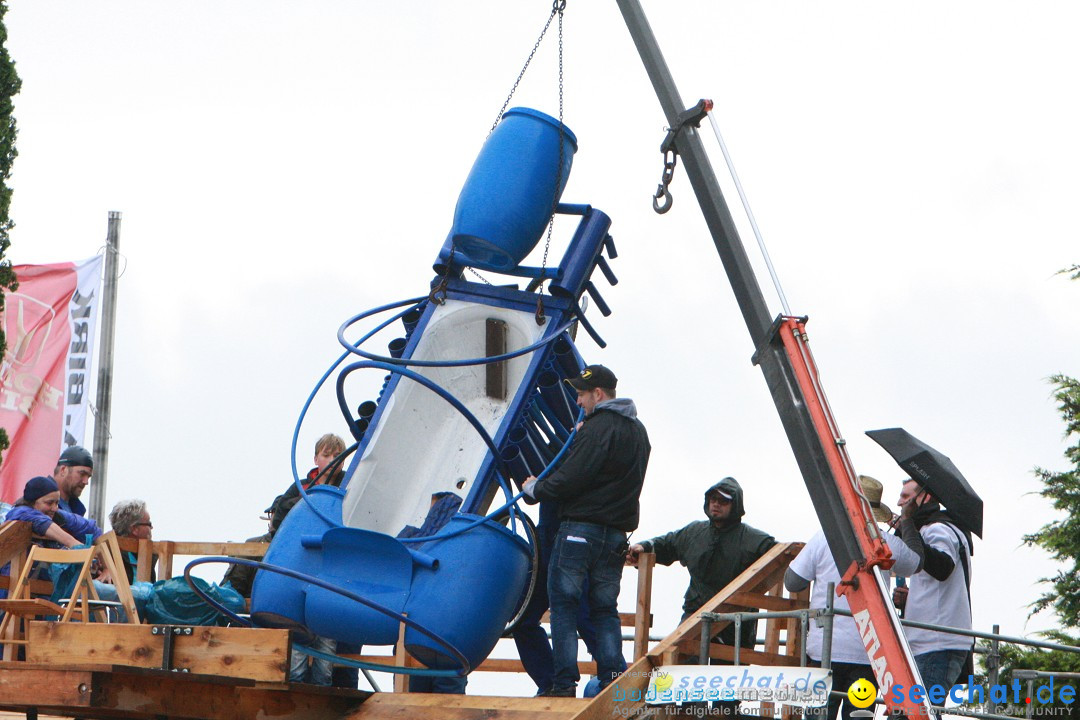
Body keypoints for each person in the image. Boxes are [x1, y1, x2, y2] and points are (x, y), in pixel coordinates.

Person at [522, 364, 651, 698]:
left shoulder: (597, 428)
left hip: (580, 531)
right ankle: (613, 679)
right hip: (614, 536)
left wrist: (537, 488)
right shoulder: (639, 433)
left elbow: (571, 478)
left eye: (581, 394)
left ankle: (563, 683)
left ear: (598, 394)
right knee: (604, 609)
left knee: (563, 606)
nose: (578, 400)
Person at [626, 477, 774, 716]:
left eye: (723, 502)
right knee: (685, 682)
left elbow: (780, 556)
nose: (716, 505)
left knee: (726, 698)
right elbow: (667, 543)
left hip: (734, 625)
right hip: (695, 617)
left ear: (735, 505)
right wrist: (645, 546)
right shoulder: (695, 532)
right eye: (713, 500)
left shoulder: (753, 540)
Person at [784, 476, 925, 720]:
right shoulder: (886, 542)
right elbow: (916, 563)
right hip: (869, 652)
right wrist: (909, 522)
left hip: (823, 651)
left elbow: (792, 581)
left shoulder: (823, 537)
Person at [892, 478, 974, 691]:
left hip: (936, 643)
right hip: (933, 642)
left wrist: (908, 523)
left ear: (925, 497)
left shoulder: (939, 529)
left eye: (905, 497)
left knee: (918, 712)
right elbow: (937, 584)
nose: (900, 503)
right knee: (912, 713)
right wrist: (910, 600)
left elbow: (942, 567)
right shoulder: (936, 528)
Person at [109, 499, 157, 583]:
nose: (152, 527)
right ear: (135, 529)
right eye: (149, 524)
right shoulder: (109, 557)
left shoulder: (148, 557)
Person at [54, 445, 93, 517]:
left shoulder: (77, 509)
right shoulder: (38, 501)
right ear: (63, 470)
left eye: (88, 476)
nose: (86, 482)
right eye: (82, 474)